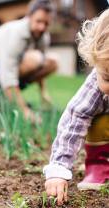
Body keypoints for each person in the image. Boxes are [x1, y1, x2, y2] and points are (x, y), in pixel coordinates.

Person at [43, 8, 109, 206]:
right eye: (108, 77)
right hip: (103, 132)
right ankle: (99, 166)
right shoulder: (93, 89)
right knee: (97, 120)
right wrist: (59, 168)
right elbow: (73, 121)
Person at [0, 0, 57, 122]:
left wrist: (43, 94)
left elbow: (41, 66)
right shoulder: (15, 33)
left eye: (46, 23)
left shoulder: (43, 36)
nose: (42, 27)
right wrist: (25, 111)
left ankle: (6, 97)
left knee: (52, 63)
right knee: (35, 58)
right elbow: (7, 73)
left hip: (11, 68)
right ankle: (0, 96)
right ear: (29, 17)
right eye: (38, 21)